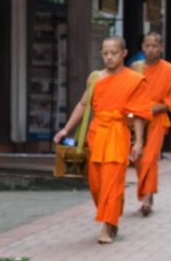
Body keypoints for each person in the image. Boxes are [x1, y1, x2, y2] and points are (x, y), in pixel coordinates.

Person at [54, 37, 152, 244]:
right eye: (105, 53)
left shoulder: (134, 80)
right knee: (97, 184)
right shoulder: (96, 78)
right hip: (96, 134)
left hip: (117, 133)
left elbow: (137, 114)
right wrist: (66, 129)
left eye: (113, 52)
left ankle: (106, 228)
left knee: (112, 181)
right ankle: (112, 215)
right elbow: (83, 105)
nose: (109, 57)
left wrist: (139, 142)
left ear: (124, 53)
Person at [131, 32, 171, 216]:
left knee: (149, 157)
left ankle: (147, 197)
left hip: (157, 118)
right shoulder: (136, 68)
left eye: (154, 46)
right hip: (137, 117)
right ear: (142, 47)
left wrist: (155, 108)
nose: (150, 49)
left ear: (161, 48)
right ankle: (148, 189)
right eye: (147, 45)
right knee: (137, 157)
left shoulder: (170, 71)